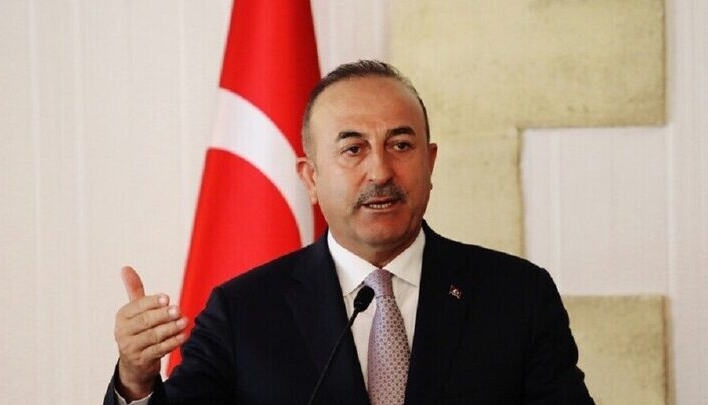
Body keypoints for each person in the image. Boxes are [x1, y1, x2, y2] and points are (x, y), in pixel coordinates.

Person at [105, 60, 594, 404]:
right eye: (353, 149)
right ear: (311, 178)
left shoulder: (517, 296)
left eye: (400, 145)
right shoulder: (243, 311)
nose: (380, 171)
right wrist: (136, 381)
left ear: (430, 163)